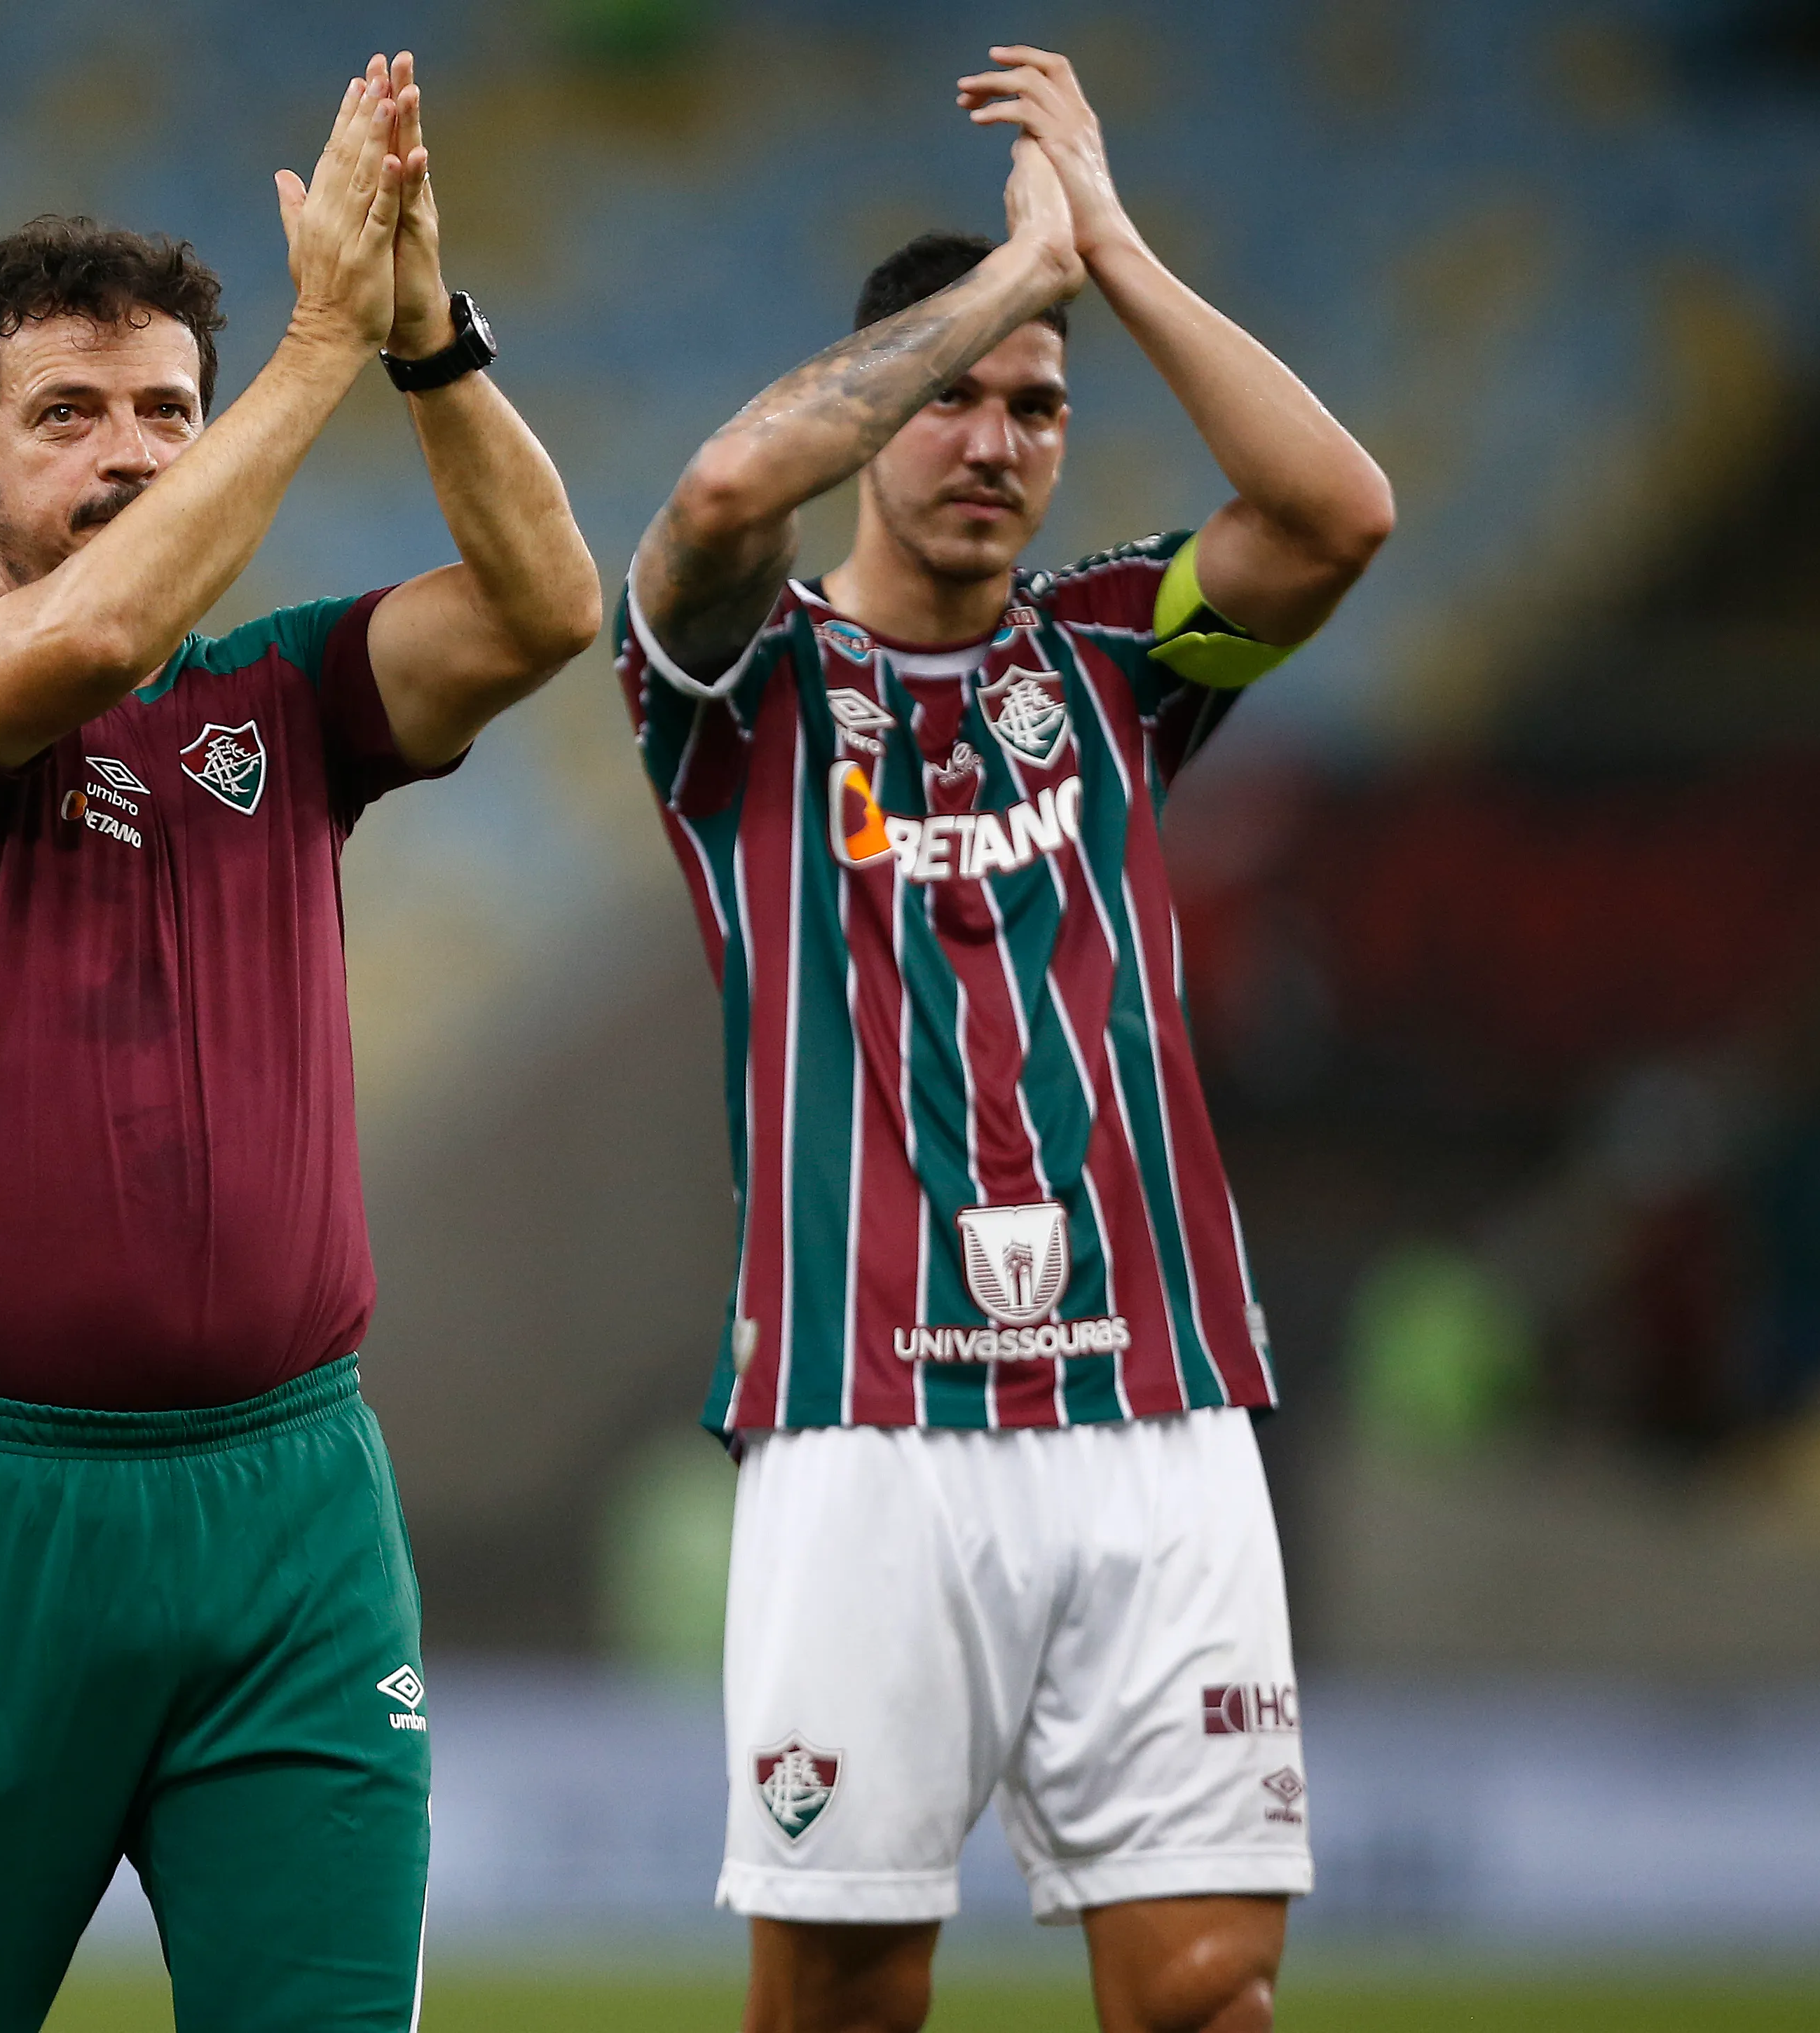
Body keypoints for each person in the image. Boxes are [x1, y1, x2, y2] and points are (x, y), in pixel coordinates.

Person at [0, 53, 601, 2033]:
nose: (133, 453)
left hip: (290, 1507)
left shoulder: (283, 700)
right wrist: (315, 343)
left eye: (169, 408)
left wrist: (423, 337)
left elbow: (546, 608)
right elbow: (86, 642)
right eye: (69, 415)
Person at [619, 46, 1395, 2033]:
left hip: (1156, 1409)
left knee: (1208, 1998)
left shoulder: (1127, 658)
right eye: (952, 396)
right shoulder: (735, 687)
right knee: (844, 2002)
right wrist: (1000, 285)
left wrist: (1104, 249)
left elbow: (1335, 515)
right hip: (863, 1415)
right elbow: (717, 497)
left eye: (1037, 406)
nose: (994, 438)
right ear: (876, 407)